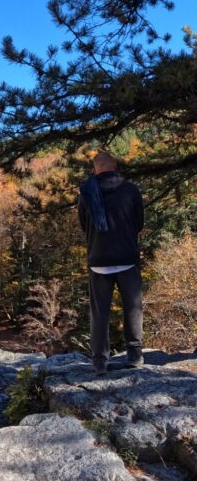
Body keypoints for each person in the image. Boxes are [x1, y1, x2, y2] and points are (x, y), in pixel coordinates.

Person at [78, 151, 145, 374]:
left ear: (95, 168)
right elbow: (139, 223)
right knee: (133, 308)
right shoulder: (131, 190)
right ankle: (134, 356)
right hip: (127, 258)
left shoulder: (87, 191)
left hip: (98, 260)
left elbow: (83, 224)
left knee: (99, 313)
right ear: (115, 167)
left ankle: (99, 362)